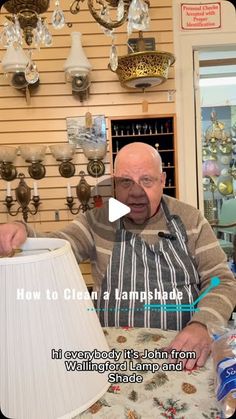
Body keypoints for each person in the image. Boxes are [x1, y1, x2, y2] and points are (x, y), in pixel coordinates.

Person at [0, 142, 235, 370]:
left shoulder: (191, 220)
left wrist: (202, 324)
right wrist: (23, 232)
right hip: (111, 356)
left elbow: (222, 280)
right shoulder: (97, 221)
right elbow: (56, 248)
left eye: (147, 180)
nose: (135, 192)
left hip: (182, 354)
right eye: (126, 182)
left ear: (162, 181)